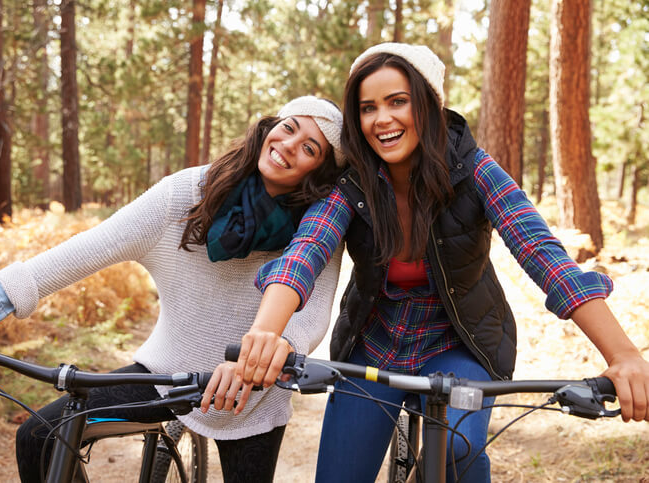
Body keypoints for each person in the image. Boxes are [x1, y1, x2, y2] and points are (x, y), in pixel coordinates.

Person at [234, 43, 649, 482]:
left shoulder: (476, 170)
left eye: (398, 102)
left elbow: (542, 253)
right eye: (368, 107)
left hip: (459, 344)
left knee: (456, 449)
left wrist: (623, 355)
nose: (382, 119)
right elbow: (306, 251)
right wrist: (264, 333)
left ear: (430, 104)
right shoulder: (352, 182)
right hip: (374, 344)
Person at [0, 96, 345, 483]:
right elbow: (78, 253)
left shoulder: (318, 226)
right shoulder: (186, 193)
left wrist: (261, 361)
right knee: (39, 437)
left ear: (320, 172)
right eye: (288, 127)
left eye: (310, 148)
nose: (290, 145)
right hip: (167, 374)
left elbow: (310, 315)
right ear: (269, 127)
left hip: (252, 395)